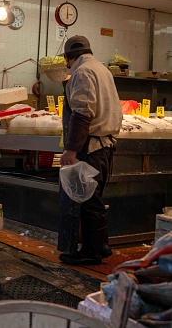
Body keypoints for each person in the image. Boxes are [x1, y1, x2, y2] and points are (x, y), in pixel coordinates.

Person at [57, 36, 123, 266]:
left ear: (68, 58)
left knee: (87, 200)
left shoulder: (82, 72)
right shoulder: (102, 70)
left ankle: (93, 252)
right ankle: (98, 246)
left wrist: (71, 150)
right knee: (92, 198)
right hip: (104, 145)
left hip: (90, 146)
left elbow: (82, 113)